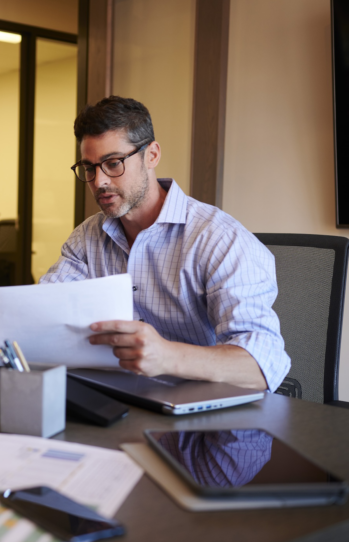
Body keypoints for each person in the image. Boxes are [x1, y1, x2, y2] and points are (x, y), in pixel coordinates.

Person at [41, 96, 290, 392]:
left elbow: (263, 365)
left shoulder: (219, 239)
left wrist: (167, 356)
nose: (99, 181)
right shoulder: (87, 237)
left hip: (202, 415)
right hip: (118, 399)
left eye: (113, 163)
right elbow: (43, 315)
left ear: (152, 155)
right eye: (90, 168)